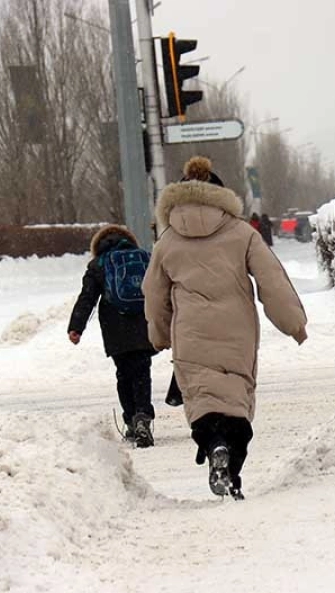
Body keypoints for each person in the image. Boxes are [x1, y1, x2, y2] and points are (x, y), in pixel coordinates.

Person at [143, 156, 308, 499]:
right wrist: (294, 324)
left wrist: (158, 335)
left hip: (190, 334)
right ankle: (231, 470)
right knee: (236, 403)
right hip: (237, 332)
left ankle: (214, 444)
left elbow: (154, 294)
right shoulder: (241, 233)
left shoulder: (167, 241)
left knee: (202, 402)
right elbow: (272, 280)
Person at [68, 225, 156, 448]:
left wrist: (76, 326)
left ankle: (131, 420)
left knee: (124, 373)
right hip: (143, 322)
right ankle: (143, 417)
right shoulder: (144, 257)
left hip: (115, 327)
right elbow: (160, 290)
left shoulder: (99, 264)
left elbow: (87, 297)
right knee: (142, 371)